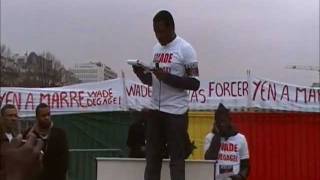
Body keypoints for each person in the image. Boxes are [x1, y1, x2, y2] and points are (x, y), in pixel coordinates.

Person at [132, 10, 200, 180]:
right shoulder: (156, 49)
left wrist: (167, 77)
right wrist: (140, 74)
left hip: (176, 113)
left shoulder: (186, 49)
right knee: (152, 158)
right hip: (156, 111)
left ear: (172, 28)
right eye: (155, 31)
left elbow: (195, 83)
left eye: (161, 31)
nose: (158, 36)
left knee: (176, 160)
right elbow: (153, 81)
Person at [204, 103, 250, 180]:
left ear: (229, 120)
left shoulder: (240, 138)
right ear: (215, 123)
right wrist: (217, 136)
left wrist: (240, 177)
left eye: (224, 121)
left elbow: (245, 165)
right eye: (219, 122)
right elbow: (209, 159)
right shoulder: (210, 137)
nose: (222, 124)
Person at [24, 103, 69, 180]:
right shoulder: (29, 134)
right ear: (37, 117)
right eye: (43, 115)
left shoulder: (59, 133)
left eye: (48, 114)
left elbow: (64, 159)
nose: (47, 117)